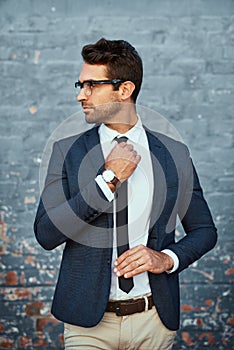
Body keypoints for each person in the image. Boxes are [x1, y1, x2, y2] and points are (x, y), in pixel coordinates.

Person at [34, 38, 217, 350]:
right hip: (87, 326)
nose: (81, 95)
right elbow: (46, 234)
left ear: (125, 90)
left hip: (154, 322)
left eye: (92, 85)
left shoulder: (174, 153)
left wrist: (166, 258)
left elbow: (204, 231)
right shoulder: (67, 153)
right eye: (80, 84)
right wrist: (107, 179)